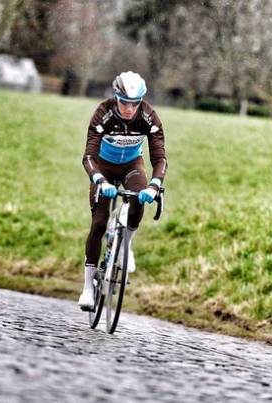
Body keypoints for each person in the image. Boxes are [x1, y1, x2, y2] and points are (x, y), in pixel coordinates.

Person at [78, 71, 168, 309]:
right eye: (124, 102)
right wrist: (99, 180)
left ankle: (125, 246)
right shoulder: (103, 113)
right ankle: (88, 288)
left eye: (134, 103)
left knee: (139, 200)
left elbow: (160, 159)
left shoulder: (149, 117)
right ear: (116, 97)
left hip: (131, 166)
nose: (129, 108)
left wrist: (154, 185)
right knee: (99, 223)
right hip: (103, 168)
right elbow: (88, 156)